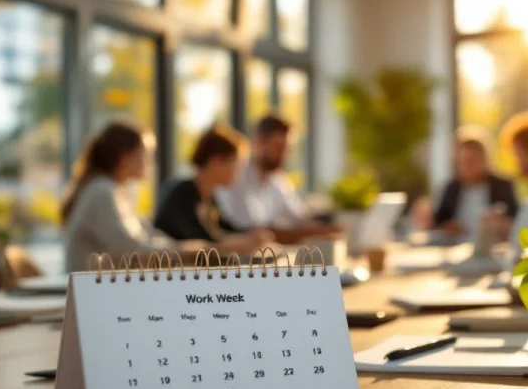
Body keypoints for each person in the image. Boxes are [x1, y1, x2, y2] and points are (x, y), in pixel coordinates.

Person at [61, 121, 260, 273]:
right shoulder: (101, 192)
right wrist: (198, 250)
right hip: (89, 297)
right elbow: (135, 250)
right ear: (124, 156)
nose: (150, 162)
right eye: (145, 155)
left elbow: (150, 237)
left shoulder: (115, 191)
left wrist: (196, 249)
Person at [215, 113, 340, 244]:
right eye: (279, 147)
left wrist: (327, 230)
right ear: (259, 142)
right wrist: (321, 233)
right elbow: (252, 232)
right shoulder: (235, 176)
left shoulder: (276, 179)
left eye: (288, 149)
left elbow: (300, 218)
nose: (285, 155)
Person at [154, 125, 273, 247]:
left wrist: (250, 235)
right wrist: (245, 241)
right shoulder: (181, 195)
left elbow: (224, 229)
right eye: (236, 165)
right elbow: (201, 241)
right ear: (215, 162)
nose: (239, 173)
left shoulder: (208, 197)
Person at [433, 128, 518, 242]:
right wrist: (448, 227)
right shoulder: (452, 188)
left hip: (493, 247)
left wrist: (502, 225)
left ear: (484, 160)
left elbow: (517, 221)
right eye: (463, 162)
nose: (467, 167)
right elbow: (438, 222)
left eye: (472, 161)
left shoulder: (502, 186)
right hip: (455, 245)